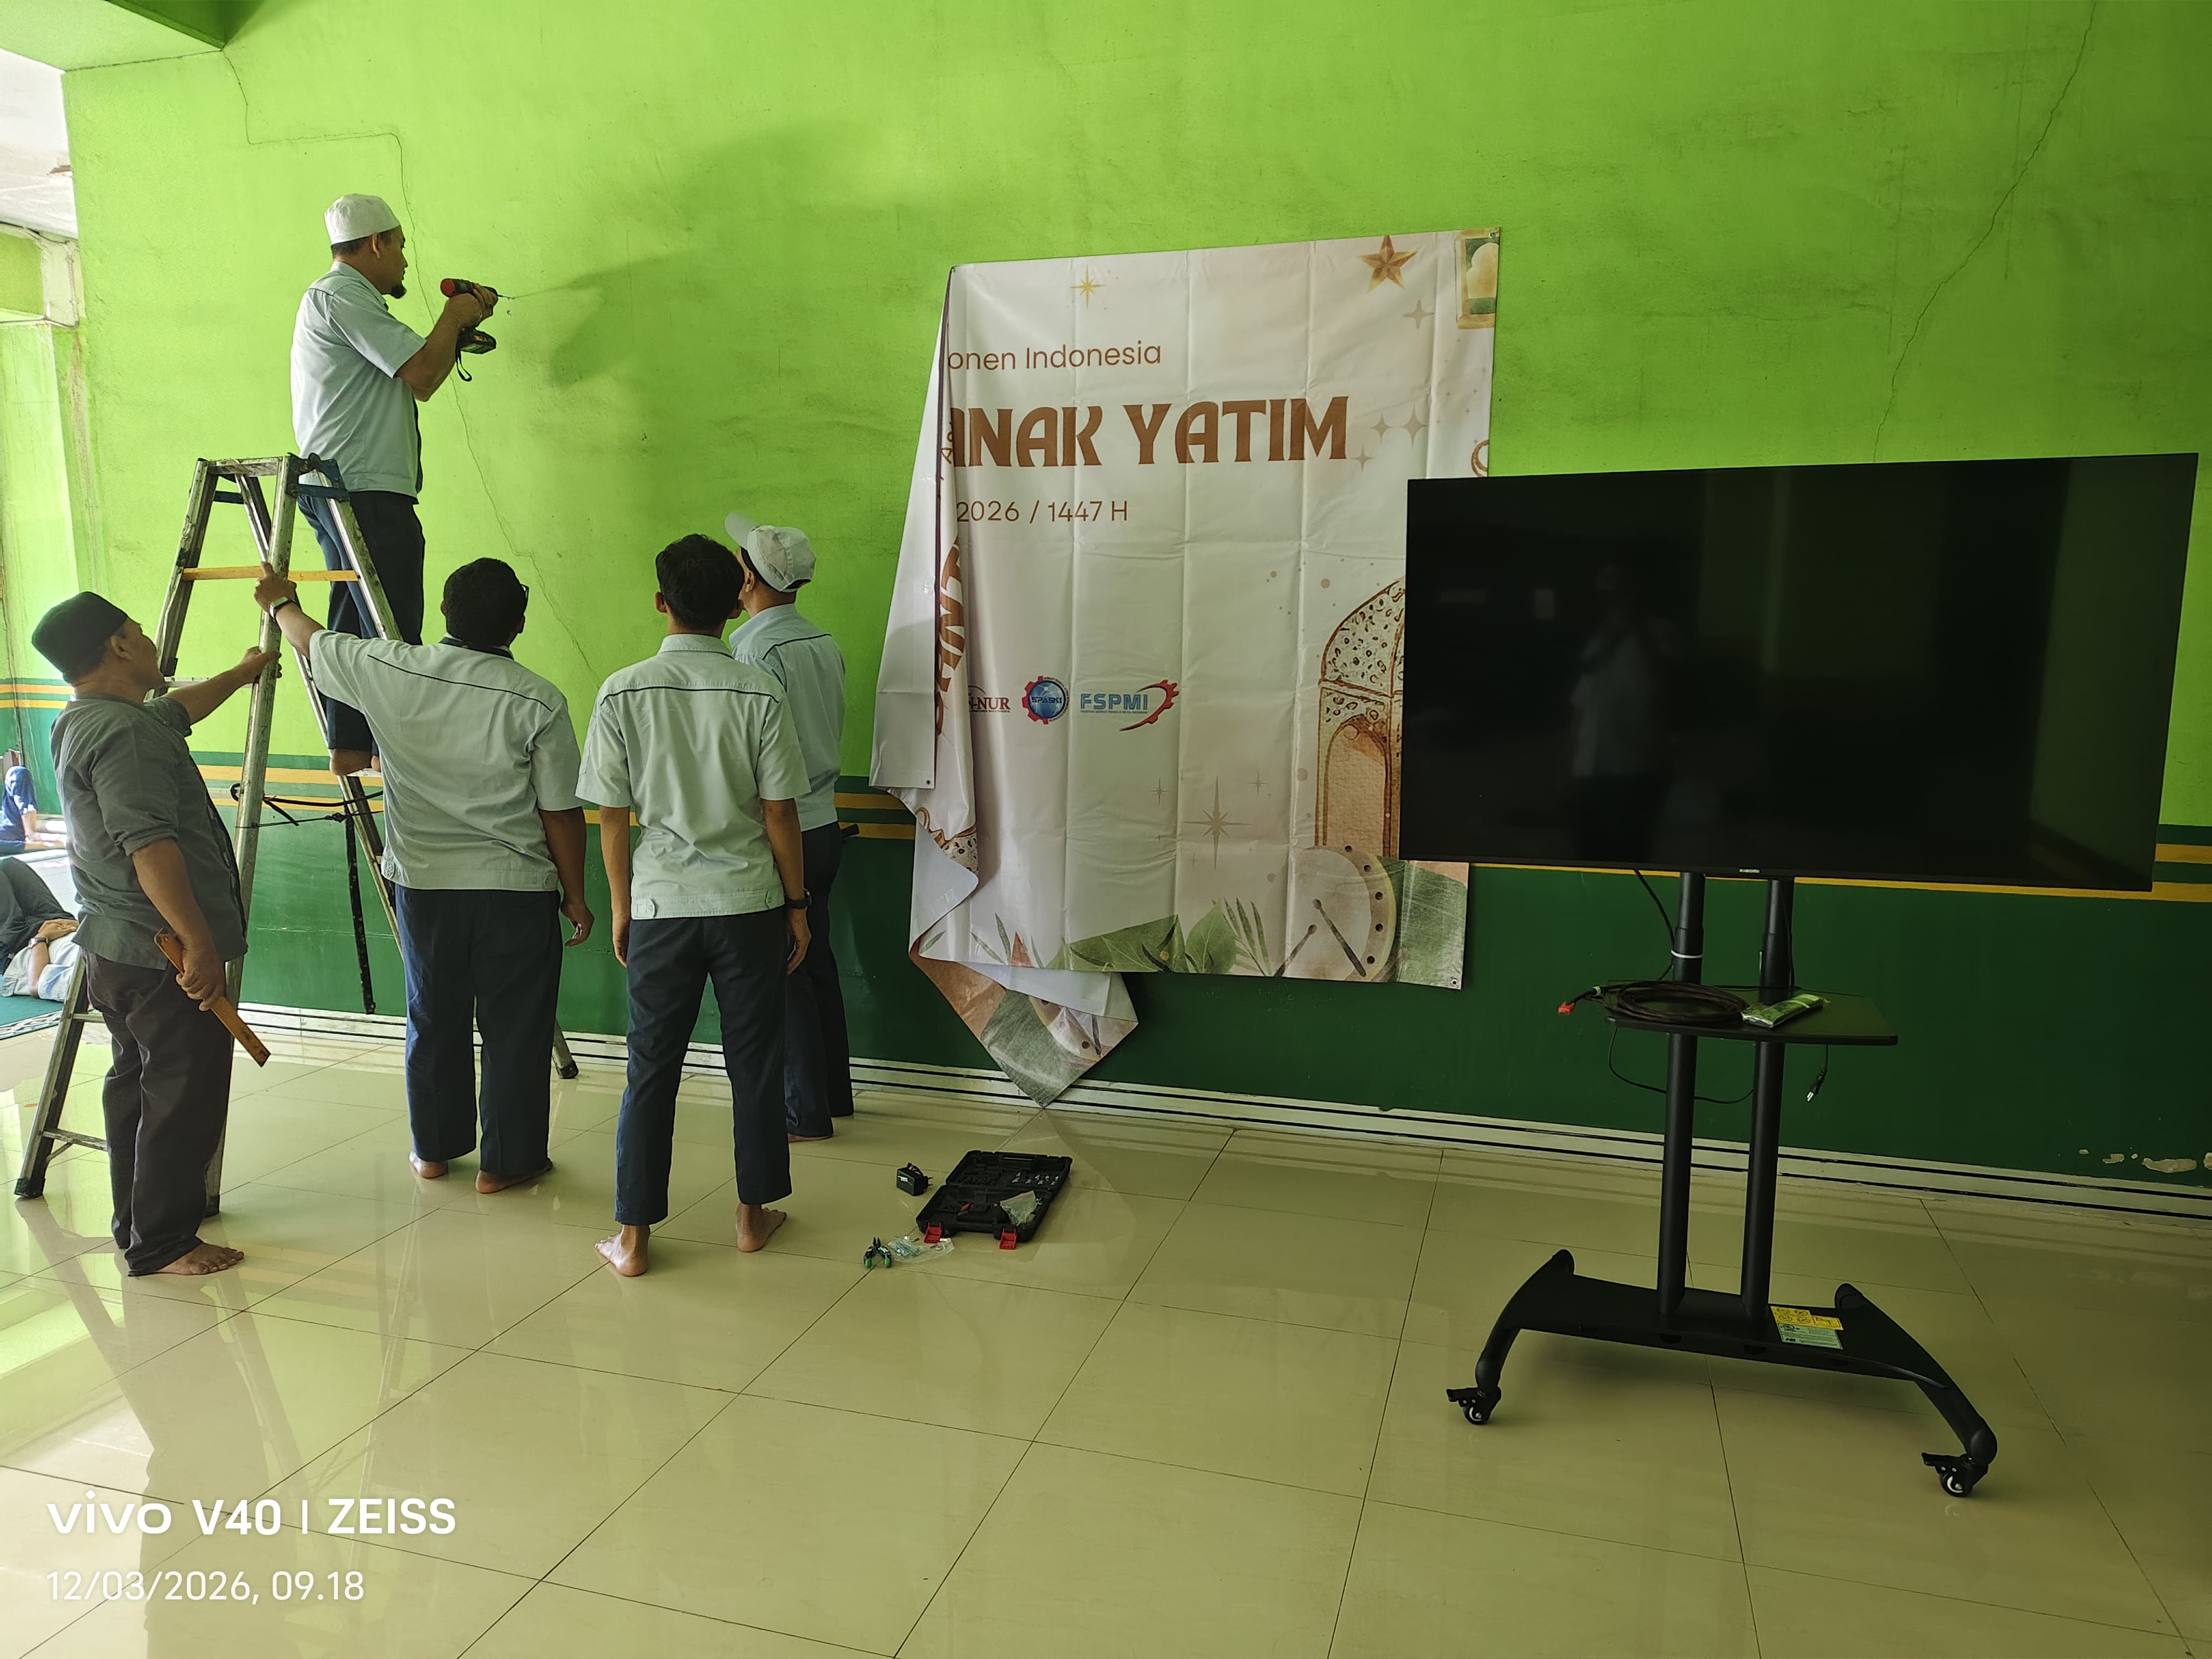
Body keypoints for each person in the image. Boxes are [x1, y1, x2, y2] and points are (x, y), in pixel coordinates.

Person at [254, 557, 592, 1192]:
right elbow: (560, 813)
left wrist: (279, 601)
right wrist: (575, 894)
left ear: (443, 611)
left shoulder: (389, 667)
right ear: (519, 624)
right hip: (514, 889)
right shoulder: (539, 699)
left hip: (425, 886)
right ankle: (507, 1164)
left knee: (433, 1017)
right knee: (516, 1028)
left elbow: (311, 640)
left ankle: (434, 1152)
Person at [578, 534, 812, 1277]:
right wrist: (797, 906)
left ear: (661, 603)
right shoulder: (760, 691)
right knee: (755, 1062)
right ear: (735, 603)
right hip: (749, 903)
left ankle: (634, 1239)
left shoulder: (621, 691)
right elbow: (781, 813)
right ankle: (751, 1218)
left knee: (650, 1068)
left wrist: (622, 907)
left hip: (661, 907)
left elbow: (611, 816)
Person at [32, 591, 275, 1277]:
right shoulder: (125, 734)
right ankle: (165, 1243)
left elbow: (178, 710)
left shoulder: (92, 718)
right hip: (160, 949)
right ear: (118, 647)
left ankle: (139, 1221)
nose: (150, 640)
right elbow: (150, 848)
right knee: (182, 1092)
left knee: (141, 1085)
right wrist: (198, 944)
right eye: (139, 631)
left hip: (117, 949)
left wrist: (242, 673)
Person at [291, 192, 498, 777]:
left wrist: (455, 328)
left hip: (345, 485)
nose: (406, 260)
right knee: (392, 626)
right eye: (402, 247)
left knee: (355, 627)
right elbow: (423, 376)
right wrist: (454, 317)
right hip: (363, 488)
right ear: (378, 244)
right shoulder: (341, 295)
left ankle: (352, 749)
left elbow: (419, 372)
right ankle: (394, 757)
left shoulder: (344, 301)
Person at [726, 516, 853, 1142]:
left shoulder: (753, 652)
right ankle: (832, 1095)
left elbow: (754, 757)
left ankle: (804, 1112)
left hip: (784, 829)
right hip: (824, 822)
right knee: (816, 962)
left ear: (749, 579)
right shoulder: (823, 643)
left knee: (787, 970)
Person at [0, 856, 77, 1000]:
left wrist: (41, 939)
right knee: (10, 865)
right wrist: (77, 925)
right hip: (62, 927)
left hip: (22, 947)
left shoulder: (100, 982)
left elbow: (37, 984)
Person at [0, 760, 60, 853]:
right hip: (10, 839)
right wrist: (47, 845)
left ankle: (30, 832)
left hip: (9, 828)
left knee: (18, 772)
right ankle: (32, 834)